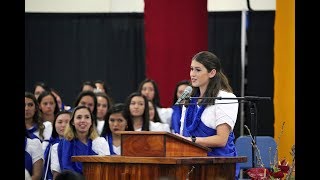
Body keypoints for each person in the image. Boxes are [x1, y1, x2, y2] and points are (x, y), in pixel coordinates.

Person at [178, 51, 239, 179]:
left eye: (198, 70)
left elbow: (221, 140)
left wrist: (192, 141)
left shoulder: (226, 98)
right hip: (191, 164)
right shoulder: (189, 100)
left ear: (212, 73)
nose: (192, 74)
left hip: (218, 165)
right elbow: (184, 134)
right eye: (191, 69)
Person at [50, 105, 110, 177]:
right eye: (79, 117)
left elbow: (105, 171)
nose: (83, 120)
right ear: (72, 122)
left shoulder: (100, 143)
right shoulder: (59, 146)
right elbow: (57, 176)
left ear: (91, 122)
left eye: (87, 117)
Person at [43, 110, 71, 180]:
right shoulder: (49, 144)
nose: (63, 125)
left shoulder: (77, 144)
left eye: (67, 122)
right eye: (60, 122)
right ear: (54, 124)